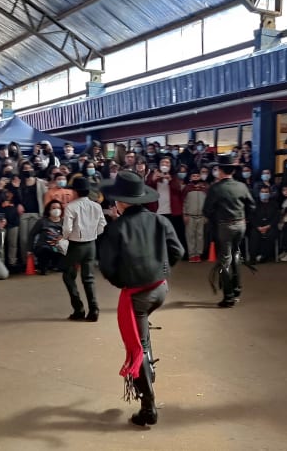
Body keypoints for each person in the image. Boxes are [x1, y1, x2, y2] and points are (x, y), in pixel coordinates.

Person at [98, 171, 184, 426]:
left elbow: (107, 267)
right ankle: (149, 367)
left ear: (122, 202)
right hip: (161, 289)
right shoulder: (160, 221)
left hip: (136, 296)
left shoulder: (116, 229)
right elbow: (177, 251)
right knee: (143, 334)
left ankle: (148, 406)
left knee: (139, 347)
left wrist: (124, 281)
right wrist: (160, 270)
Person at [203, 155, 256, 308]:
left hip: (224, 226)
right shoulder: (242, 186)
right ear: (233, 170)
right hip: (240, 224)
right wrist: (244, 218)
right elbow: (252, 206)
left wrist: (216, 219)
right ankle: (237, 290)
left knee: (225, 260)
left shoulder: (215, 188)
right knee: (236, 255)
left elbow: (207, 210)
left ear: (220, 170)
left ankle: (228, 296)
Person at [61, 177, 107, 321]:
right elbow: (102, 225)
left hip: (76, 244)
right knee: (89, 278)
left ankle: (78, 308)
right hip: (91, 244)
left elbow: (67, 229)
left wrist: (65, 238)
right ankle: (94, 309)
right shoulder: (96, 206)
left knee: (68, 276)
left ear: (75, 191)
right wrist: (93, 234)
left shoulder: (71, 207)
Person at [29, 200, 65, 275]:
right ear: (49, 210)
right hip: (44, 247)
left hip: (58, 248)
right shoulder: (42, 221)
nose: (56, 210)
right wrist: (30, 250)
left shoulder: (64, 222)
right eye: (53, 208)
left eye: (58, 208)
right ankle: (43, 267)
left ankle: (55, 265)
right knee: (45, 250)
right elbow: (32, 234)